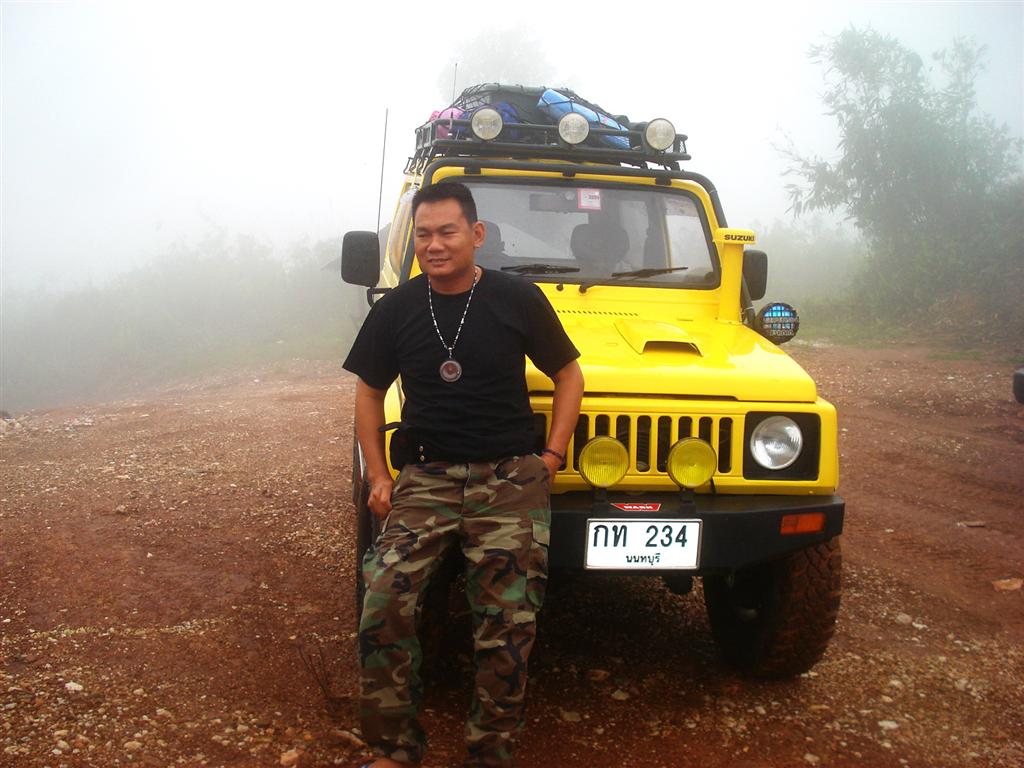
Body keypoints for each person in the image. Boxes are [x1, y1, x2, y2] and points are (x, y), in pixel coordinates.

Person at [343, 181, 584, 768]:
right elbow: (369, 393)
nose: (434, 245)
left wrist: (551, 457)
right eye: (423, 234)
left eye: (447, 232)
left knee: (507, 622)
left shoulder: (516, 298)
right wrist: (379, 476)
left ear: (476, 234)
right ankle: (394, 748)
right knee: (383, 601)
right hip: (426, 477)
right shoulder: (396, 308)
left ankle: (490, 752)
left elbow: (569, 375)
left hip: (508, 479)